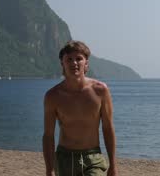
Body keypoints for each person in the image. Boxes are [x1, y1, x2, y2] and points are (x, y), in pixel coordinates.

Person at [42, 40, 117, 176]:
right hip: (65, 158)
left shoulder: (100, 91)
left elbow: (108, 128)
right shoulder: (53, 96)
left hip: (93, 157)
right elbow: (48, 135)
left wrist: (113, 165)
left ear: (86, 63)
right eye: (69, 59)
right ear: (62, 64)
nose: (74, 63)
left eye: (79, 59)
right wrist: (49, 169)